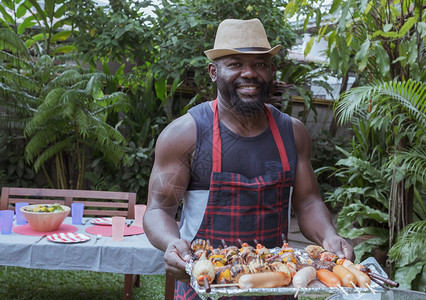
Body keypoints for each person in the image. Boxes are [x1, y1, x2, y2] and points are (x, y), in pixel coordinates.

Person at [144, 18, 354, 299]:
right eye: (235, 64)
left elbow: (308, 202)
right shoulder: (184, 135)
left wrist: (328, 235)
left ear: (271, 70)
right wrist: (172, 244)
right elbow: (158, 209)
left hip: (275, 282)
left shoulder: (293, 133)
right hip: (204, 284)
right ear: (213, 72)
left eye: (260, 64)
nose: (250, 73)